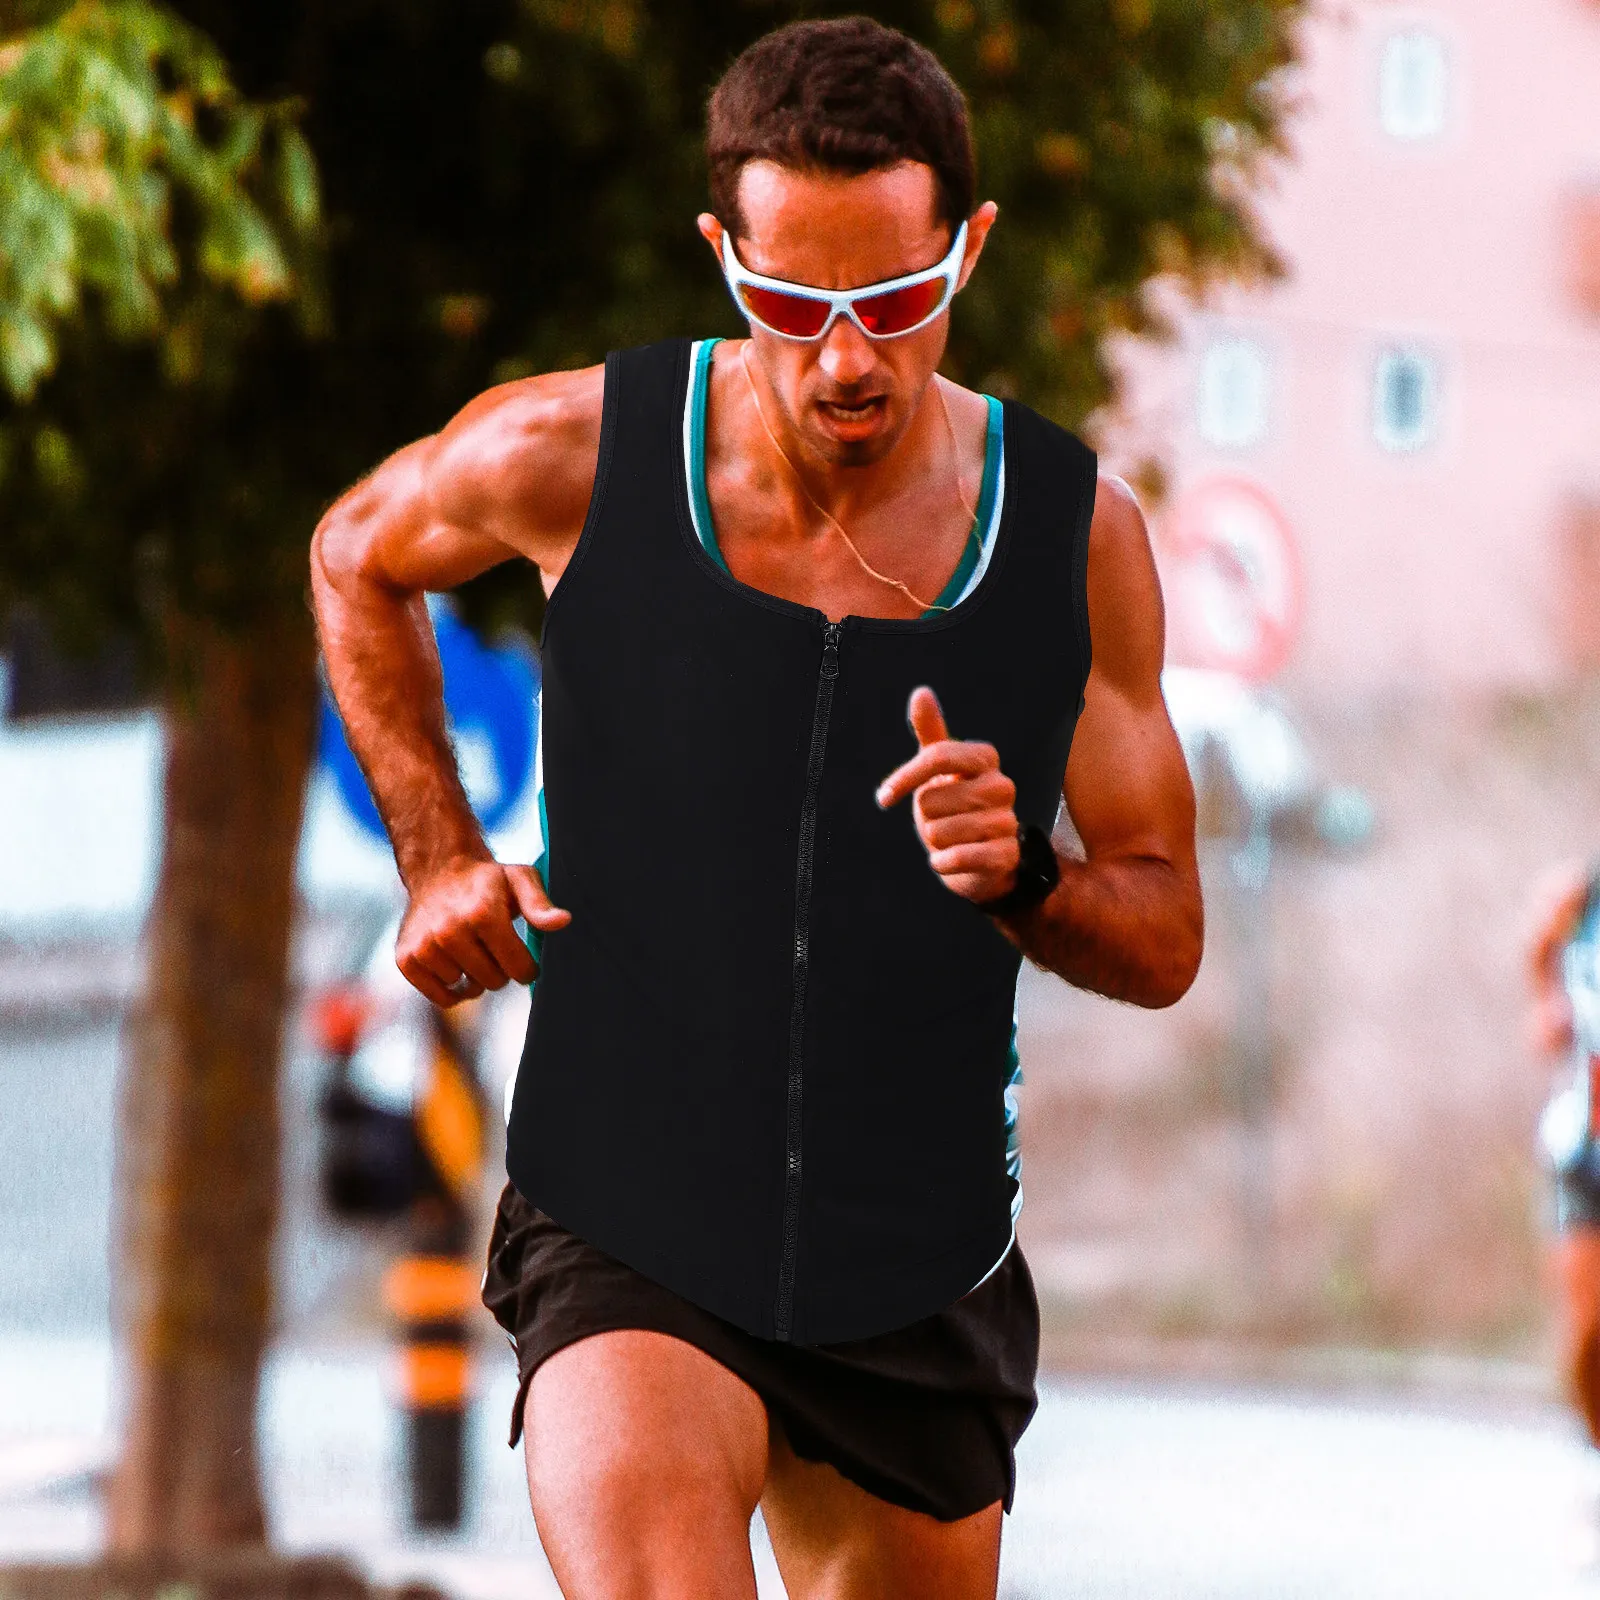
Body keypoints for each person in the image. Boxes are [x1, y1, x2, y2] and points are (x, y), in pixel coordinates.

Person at [310, 17, 1202, 1598]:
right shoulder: (577, 452)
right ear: (725, 257)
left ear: (970, 249)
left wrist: (1027, 881)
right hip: (628, 1214)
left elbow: (1165, 931)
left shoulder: (1074, 538)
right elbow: (355, 556)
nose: (847, 358)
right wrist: (438, 854)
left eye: (896, 300)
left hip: (917, 1260)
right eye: (794, 306)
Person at [1526, 860, 1600, 1445]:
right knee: (1587, 1333)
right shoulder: (1580, 899)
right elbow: (1546, 1029)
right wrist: (1549, 997)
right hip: (1584, 1146)